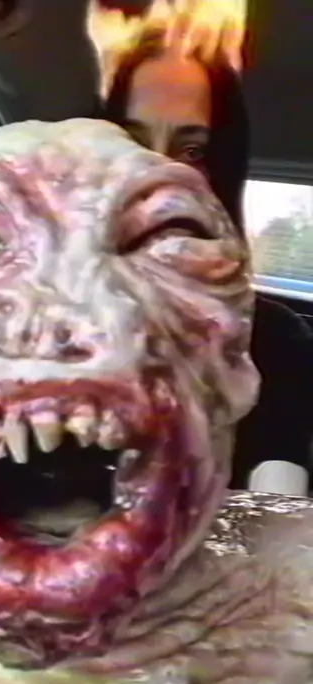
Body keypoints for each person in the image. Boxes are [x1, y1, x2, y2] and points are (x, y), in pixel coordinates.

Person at [101, 30, 313, 491]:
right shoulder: (39, 322)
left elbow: (278, 496)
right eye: (132, 141)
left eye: (192, 151)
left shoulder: (275, 340)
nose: (155, 173)